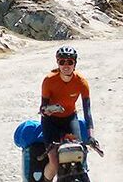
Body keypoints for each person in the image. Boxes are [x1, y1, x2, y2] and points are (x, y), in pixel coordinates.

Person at [40, 45, 95, 182]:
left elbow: (87, 111)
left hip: (70, 119)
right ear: (57, 63)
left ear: (74, 64)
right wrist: (52, 109)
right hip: (50, 122)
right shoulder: (49, 80)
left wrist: (91, 136)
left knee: (78, 155)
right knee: (54, 162)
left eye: (69, 62)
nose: (66, 65)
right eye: (62, 61)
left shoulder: (81, 82)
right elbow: (43, 108)